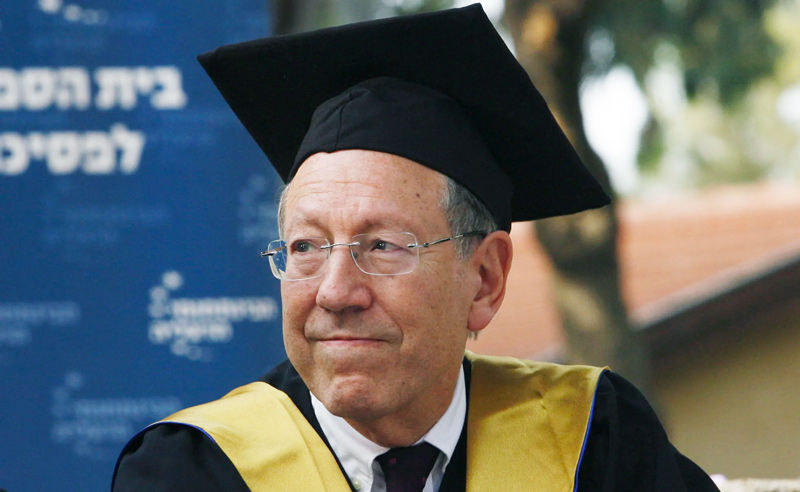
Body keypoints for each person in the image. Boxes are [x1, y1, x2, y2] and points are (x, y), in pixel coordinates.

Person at [111, 5, 719, 491]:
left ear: (484, 280)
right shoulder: (194, 471)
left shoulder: (593, 445)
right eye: (306, 247)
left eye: (381, 246)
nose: (334, 292)